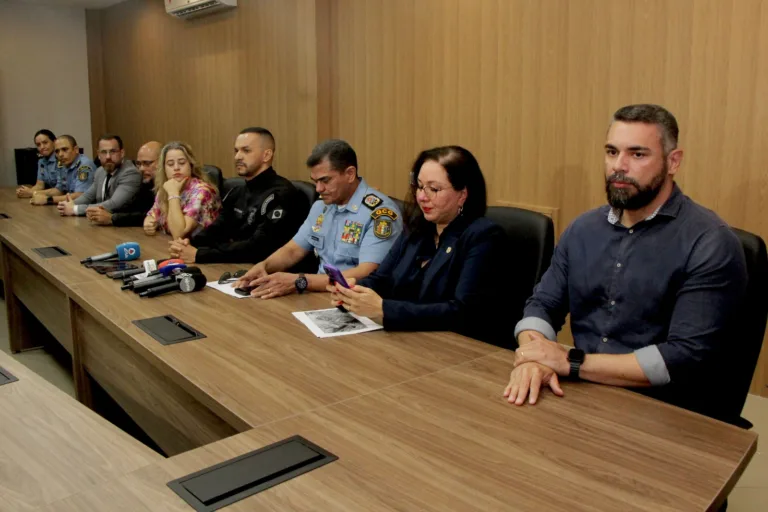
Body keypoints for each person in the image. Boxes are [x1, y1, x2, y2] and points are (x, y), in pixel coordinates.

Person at [503, 104, 747, 422]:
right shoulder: (582, 229)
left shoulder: (710, 241)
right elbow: (542, 305)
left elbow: (683, 357)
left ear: (673, 162)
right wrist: (535, 357)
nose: (619, 166)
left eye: (637, 154)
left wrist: (571, 361)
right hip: (580, 397)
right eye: (611, 151)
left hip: (666, 414)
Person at [327, 146, 509, 344]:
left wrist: (383, 309)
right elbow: (381, 280)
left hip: (456, 349)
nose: (422, 197)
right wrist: (351, 291)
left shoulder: (483, 236)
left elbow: (462, 311)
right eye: (420, 187)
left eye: (434, 189)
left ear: (462, 194)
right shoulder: (417, 229)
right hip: (406, 341)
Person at [234, 139, 402, 299]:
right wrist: (264, 266)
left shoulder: (381, 213)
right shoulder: (321, 206)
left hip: (356, 301)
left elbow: (367, 272)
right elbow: (294, 250)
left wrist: (301, 281)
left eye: (325, 180)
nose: (319, 189)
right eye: (315, 181)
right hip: (319, 294)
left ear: (350, 174)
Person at [168, 127, 308, 263]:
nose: (237, 157)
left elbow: (259, 248)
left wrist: (201, 255)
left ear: (266, 155)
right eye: (236, 151)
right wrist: (189, 244)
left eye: (246, 151)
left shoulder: (282, 194)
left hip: (269, 272)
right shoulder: (237, 191)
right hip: (234, 266)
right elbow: (218, 229)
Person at [143, 141, 220, 239]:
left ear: (191, 166)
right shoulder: (167, 186)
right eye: (170, 164)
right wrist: (149, 223)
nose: (176, 168)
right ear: (164, 169)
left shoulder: (202, 192)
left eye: (182, 163)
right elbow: (152, 215)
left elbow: (179, 234)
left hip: (199, 250)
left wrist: (173, 194)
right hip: (167, 246)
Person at [57, 134, 141, 217]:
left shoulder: (130, 173)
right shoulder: (100, 171)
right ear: (98, 155)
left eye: (113, 151)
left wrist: (75, 209)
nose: (108, 157)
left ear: (122, 153)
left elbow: (113, 204)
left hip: (125, 227)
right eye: (103, 152)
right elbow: (88, 196)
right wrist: (69, 204)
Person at [86, 141, 162, 227]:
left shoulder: (168, 185)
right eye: (139, 164)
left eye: (147, 163)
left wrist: (113, 218)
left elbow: (152, 215)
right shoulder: (145, 183)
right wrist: (100, 213)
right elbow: (133, 209)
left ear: (162, 161)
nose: (141, 168)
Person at [29, 135, 95, 206]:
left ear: (76, 149)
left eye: (65, 149)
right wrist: (36, 193)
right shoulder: (62, 164)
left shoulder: (84, 166)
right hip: (70, 207)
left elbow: (80, 196)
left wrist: (48, 199)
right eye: (57, 151)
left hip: (87, 210)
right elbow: (59, 190)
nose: (60, 154)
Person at [16, 129, 58, 198]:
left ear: (54, 142)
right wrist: (25, 191)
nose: (42, 147)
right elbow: (40, 185)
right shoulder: (41, 162)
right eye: (38, 145)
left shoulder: (62, 158)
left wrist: (32, 192)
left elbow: (60, 190)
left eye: (45, 142)